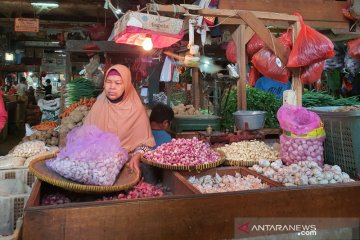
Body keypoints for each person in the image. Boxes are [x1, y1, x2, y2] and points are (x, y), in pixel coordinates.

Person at [84, 65, 155, 171]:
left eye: (118, 83)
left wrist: (137, 156)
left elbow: (145, 144)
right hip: (96, 167)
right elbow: (85, 134)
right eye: (108, 82)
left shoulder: (136, 110)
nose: (112, 87)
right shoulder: (99, 103)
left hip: (126, 167)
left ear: (126, 85)